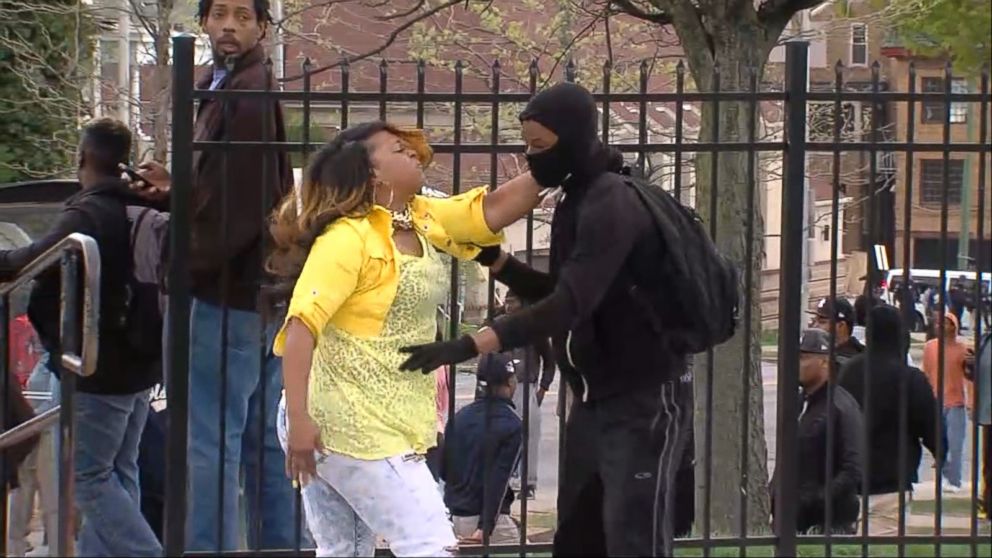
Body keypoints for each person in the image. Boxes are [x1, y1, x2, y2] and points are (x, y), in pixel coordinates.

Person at [398, 82, 691, 557]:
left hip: (645, 399)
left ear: (573, 139)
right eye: (527, 145)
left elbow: (569, 304)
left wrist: (475, 344)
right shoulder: (575, 198)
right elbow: (559, 287)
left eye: (540, 146)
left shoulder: (612, 202)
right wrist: (497, 262)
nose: (531, 158)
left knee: (633, 538)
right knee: (577, 537)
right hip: (594, 398)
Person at [270, 121, 541, 557]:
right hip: (341, 423)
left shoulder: (423, 215)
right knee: (429, 543)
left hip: (377, 416)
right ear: (371, 173)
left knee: (345, 550)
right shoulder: (347, 238)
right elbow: (301, 327)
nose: (415, 155)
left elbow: (490, 210)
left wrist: (555, 163)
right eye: (399, 149)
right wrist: (301, 422)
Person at [130, 0, 298, 550]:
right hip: (258, 295)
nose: (229, 25)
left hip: (225, 295)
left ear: (263, 28)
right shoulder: (230, 84)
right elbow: (229, 191)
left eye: (242, 17)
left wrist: (183, 263)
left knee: (208, 444)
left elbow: (239, 208)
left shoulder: (246, 93)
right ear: (202, 22)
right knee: (262, 444)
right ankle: (277, 546)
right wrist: (178, 190)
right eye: (219, 13)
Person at [0, 118, 161, 556]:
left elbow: (35, 258)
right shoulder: (139, 206)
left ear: (83, 157)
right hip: (139, 365)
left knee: (87, 477)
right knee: (121, 473)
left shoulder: (88, 211)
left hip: (97, 366)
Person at [838, 304, 943, 535]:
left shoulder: (848, 372)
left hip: (848, 481)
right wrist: (940, 451)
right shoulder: (910, 379)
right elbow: (932, 428)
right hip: (891, 481)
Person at [772, 329, 863, 535]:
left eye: (803, 357)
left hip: (828, 524)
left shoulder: (841, 406)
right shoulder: (798, 403)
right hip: (792, 521)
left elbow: (852, 469)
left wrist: (816, 499)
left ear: (824, 362)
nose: (795, 363)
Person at [442, 352, 523, 545]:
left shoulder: (460, 417)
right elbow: (498, 480)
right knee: (521, 548)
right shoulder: (512, 425)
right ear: (509, 382)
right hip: (485, 519)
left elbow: (445, 471)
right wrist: (485, 527)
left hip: (456, 515)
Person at [497, 290, 555, 498]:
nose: (509, 306)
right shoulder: (499, 325)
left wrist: (543, 388)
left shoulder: (534, 328)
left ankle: (528, 482)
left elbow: (549, 361)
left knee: (529, 435)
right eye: (506, 302)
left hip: (525, 386)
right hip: (502, 387)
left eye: (513, 302)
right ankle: (504, 481)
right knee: (501, 436)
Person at [922, 312, 972, 493]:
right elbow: (926, 373)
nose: (942, 326)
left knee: (955, 444)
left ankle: (954, 480)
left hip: (955, 401)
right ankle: (943, 476)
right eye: (939, 323)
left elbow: (969, 377)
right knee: (939, 444)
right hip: (935, 400)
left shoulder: (963, 349)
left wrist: (970, 401)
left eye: (947, 323)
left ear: (954, 326)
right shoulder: (930, 347)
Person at [966, 328, 990, 519]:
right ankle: (988, 503)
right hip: (986, 411)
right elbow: (974, 374)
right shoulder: (986, 339)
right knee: (988, 462)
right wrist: (970, 365)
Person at [810, 297, 864, 367]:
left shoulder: (857, 362)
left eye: (822, 322)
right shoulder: (814, 350)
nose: (814, 326)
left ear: (841, 326)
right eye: (814, 320)